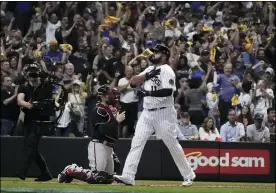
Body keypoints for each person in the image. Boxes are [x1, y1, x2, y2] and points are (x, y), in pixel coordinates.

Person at [114, 44, 195, 187]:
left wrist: (147, 93)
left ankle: (188, 175)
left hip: (163, 113)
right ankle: (128, 176)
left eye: (157, 52)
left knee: (172, 144)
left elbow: (168, 92)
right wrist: (146, 75)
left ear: (164, 55)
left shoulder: (167, 70)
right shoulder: (150, 68)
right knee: (136, 143)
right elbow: (132, 83)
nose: (153, 54)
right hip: (147, 113)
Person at [57, 85, 125, 184]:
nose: (113, 97)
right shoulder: (98, 110)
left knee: (109, 179)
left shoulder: (111, 110)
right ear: (102, 97)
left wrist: (113, 153)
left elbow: (112, 133)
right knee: (97, 177)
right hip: (99, 145)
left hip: (109, 146)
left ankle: (76, 171)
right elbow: (102, 130)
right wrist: (116, 121)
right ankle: (71, 169)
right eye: (109, 95)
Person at [16, 64, 53, 181]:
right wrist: (28, 105)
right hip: (28, 120)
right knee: (32, 148)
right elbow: (20, 100)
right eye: (31, 74)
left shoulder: (45, 87)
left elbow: (50, 101)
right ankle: (46, 173)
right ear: (27, 76)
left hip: (41, 121)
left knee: (31, 144)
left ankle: (23, 171)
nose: (33, 77)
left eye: (35, 74)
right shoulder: (24, 87)